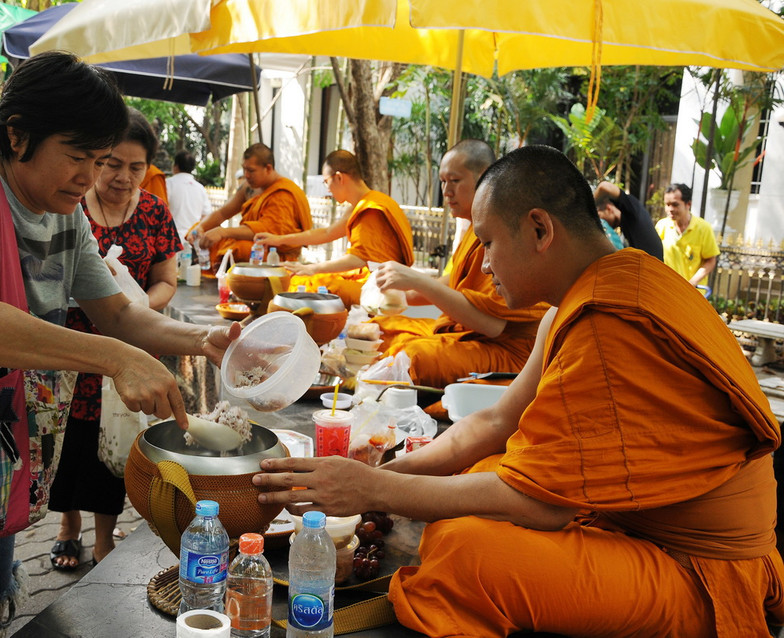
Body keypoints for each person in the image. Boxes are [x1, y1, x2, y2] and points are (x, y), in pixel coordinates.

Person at [254, 145, 783, 637]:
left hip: (699, 566)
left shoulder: (609, 318)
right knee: (472, 482)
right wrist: (375, 477)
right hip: (639, 520)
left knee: (464, 554)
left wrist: (372, 492)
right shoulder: (590, 295)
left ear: (539, 229)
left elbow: (540, 504)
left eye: (488, 242)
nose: (483, 264)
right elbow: (493, 424)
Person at [0, 52, 239, 638]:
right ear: (17, 135)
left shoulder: (62, 212)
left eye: (98, 159)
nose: (88, 177)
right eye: (76, 156)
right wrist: (114, 358)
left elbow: (117, 314)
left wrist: (205, 339)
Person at [48, 107, 183, 570]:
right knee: (67, 445)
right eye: (111, 163)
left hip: (131, 348)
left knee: (115, 447)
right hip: (68, 351)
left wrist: (137, 305)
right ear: (93, 160)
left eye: (136, 167)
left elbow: (167, 278)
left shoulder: (153, 211)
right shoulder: (68, 205)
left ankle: (104, 538)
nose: (122, 176)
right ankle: (68, 527)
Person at [371, 140, 549, 388]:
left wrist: (416, 280)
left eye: (454, 181)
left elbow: (493, 325)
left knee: (413, 358)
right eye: (443, 182)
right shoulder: (473, 229)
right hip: (468, 334)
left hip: (506, 349)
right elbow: (457, 281)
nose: (446, 191)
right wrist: (402, 294)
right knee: (379, 330)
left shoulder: (507, 231)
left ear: (486, 178)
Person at [255, 150, 414, 307]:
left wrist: (312, 268)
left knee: (308, 284)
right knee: (297, 277)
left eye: (326, 181)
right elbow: (327, 233)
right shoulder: (360, 205)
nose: (327, 189)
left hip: (381, 287)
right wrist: (279, 239)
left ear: (339, 177)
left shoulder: (371, 208)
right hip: (367, 279)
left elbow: (358, 259)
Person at [191, 143, 311, 265]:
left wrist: (223, 232)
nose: (246, 175)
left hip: (275, 255)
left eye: (251, 170)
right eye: (244, 169)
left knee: (240, 248)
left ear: (268, 168)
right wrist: (201, 228)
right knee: (201, 234)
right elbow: (222, 213)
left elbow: (266, 231)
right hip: (254, 247)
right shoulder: (248, 187)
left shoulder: (283, 194)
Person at [655, 182, 720, 287]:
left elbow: (711, 260)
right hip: (666, 291)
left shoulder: (703, 228)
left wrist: (692, 283)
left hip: (692, 294)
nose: (670, 209)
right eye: (667, 205)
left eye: (675, 205)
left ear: (688, 204)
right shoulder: (662, 226)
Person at [593, 180, 664, 260]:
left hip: (652, 268)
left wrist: (589, 206)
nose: (601, 222)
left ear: (609, 208)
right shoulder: (626, 224)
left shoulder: (633, 210)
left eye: (599, 216)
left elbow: (604, 186)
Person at [165, 149, 212, 244]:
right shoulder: (200, 188)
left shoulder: (167, 184)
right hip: (193, 240)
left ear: (176, 166)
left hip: (171, 239)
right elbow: (206, 215)